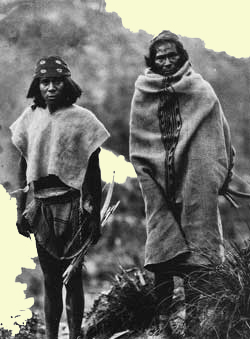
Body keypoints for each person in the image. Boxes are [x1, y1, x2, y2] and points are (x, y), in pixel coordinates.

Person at [129, 30, 237, 337]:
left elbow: (219, 132)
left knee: (196, 255)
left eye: (171, 55)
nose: (165, 61)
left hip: (195, 182)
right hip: (157, 187)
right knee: (162, 251)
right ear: (152, 60)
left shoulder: (201, 90)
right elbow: (138, 142)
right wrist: (150, 175)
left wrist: (218, 171)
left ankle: (195, 325)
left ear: (182, 57)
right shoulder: (142, 92)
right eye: (159, 56)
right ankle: (163, 325)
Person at [10, 56, 110, 339]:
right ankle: (52, 336)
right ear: (37, 85)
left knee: (73, 277)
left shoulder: (83, 119)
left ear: (67, 84)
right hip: (42, 207)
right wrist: (20, 210)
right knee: (50, 279)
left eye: (57, 81)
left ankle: (75, 335)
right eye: (45, 82)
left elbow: (93, 168)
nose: (51, 87)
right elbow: (23, 166)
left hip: (73, 207)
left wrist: (94, 213)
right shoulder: (30, 117)